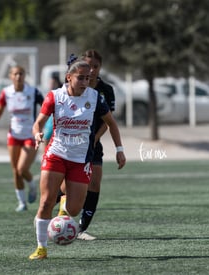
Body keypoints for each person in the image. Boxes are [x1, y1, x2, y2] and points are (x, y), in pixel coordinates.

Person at [29, 56, 126, 260]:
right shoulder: (54, 97)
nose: (85, 82)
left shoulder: (95, 97)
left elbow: (111, 123)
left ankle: (64, 208)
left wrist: (119, 149)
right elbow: (38, 122)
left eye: (88, 78)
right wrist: (38, 133)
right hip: (56, 153)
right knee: (46, 201)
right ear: (68, 77)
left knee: (73, 209)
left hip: (81, 158)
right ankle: (41, 248)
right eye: (80, 78)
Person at [0, 65, 44, 212]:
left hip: (30, 135)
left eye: (21, 73)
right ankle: (22, 203)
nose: (18, 76)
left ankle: (32, 185)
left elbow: (46, 107)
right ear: (10, 76)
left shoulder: (32, 92)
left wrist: (44, 124)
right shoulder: (6, 92)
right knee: (15, 171)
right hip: (13, 135)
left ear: (24, 76)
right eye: (15, 74)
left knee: (22, 169)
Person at [76, 49, 116, 240]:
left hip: (93, 142)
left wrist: (95, 138)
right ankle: (54, 216)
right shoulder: (73, 86)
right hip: (71, 143)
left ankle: (82, 229)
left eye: (95, 67)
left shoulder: (106, 91)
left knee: (94, 181)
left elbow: (109, 122)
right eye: (88, 66)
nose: (91, 71)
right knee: (68, 187)